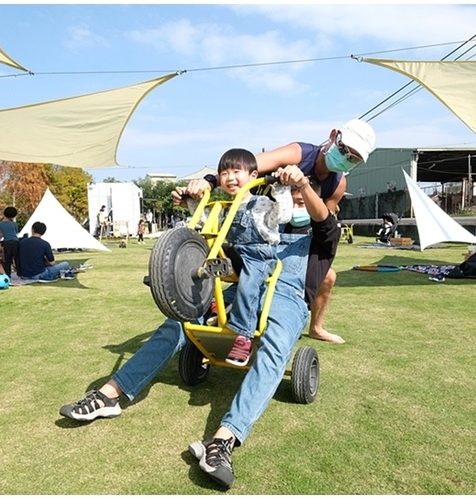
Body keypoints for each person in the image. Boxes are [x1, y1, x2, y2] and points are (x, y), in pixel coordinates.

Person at [60, 164, 332, 490]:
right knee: (178, 322)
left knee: (274, 347)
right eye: (296, 195)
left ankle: (223, 440)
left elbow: (322, 218)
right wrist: (191, 208)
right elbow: (221, 253)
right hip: (241, 289)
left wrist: (301, 182)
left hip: (287, 298)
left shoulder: (323, 237)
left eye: (305, 196)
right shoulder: (263, 224)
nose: (299, 200)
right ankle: (109, 396)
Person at [178, 119, 376, 344]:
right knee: (237, 265)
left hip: (298, 233)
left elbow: (323, 225)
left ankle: (315, 326)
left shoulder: (338, 184)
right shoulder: (298, 153)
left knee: (328, 276)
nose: (345, 160)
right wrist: (210, 182)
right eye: (343, 150)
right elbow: (245, 165)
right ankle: (222, 309)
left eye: (353, 159)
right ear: (333, 136)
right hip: (262, 224)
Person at [188, 148, 292, 367]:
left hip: (258, 256)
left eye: (236, 171)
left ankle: (243, 336)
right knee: (206, 274)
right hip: (232, 255)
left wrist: (281, 188)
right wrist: (192, 202)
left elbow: (282, 215)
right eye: (224, 173)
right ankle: (217, 308)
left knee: (248, 285)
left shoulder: (261, 202)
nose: (230, 178)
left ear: (253, 176)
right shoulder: (224, 207)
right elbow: (204, 223)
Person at [0, 207, 20, 276]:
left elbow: (2, 233)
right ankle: (19, 273)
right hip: (15, 242)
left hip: (6, 242)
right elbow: (16, 232)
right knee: (17, 258)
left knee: (7, 260)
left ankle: (7, 274)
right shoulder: (14, 224)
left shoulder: (0, 224)